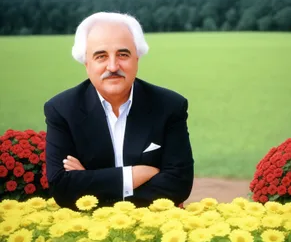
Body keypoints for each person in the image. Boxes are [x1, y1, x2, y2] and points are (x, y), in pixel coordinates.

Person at [44, 12, 194, 210]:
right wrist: (132, 176)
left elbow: (178, 184)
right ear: (86, 63)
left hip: (155, 227)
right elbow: (63, 188)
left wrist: (89, 180)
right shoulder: (62, 110)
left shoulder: (170, 106)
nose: (113, 66)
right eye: (101, 56)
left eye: (123, 55)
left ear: (137, 58)